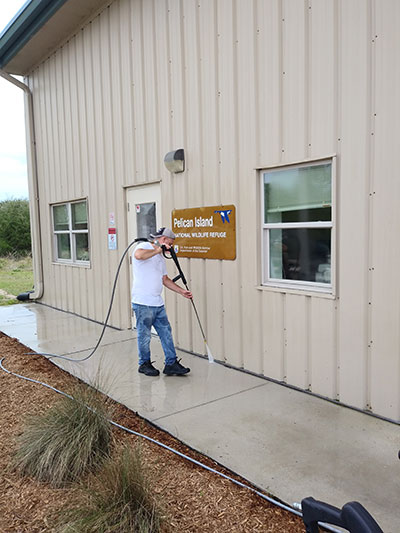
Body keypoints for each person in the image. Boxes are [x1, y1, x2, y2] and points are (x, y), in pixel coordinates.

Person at [131, 227, 192, 376]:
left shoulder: (160, 258)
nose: (170, 248)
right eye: (170, 244)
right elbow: (139, 256)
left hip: (157, 303)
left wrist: (182, 291)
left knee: (166, 333)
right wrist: (159, 249)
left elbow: (165, 280)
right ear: (163, 240)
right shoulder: (143, 247)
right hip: (142, 302)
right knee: (144, 336)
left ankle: (171, 363)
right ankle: (144, 364)